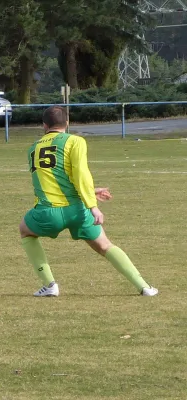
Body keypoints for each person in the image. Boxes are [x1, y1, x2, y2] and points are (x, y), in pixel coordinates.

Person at [19, 105, 157, 297]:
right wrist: (92, 205)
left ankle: (49, 284)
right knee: (105, 246)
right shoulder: (75, 141)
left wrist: (91, 193)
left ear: (44, 125)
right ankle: (144, 287)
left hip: (48, 212)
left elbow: (54, 181)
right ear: (67, 123)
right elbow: (80, 175)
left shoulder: (33, 149)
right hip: (78, 210)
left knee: (26, 231)